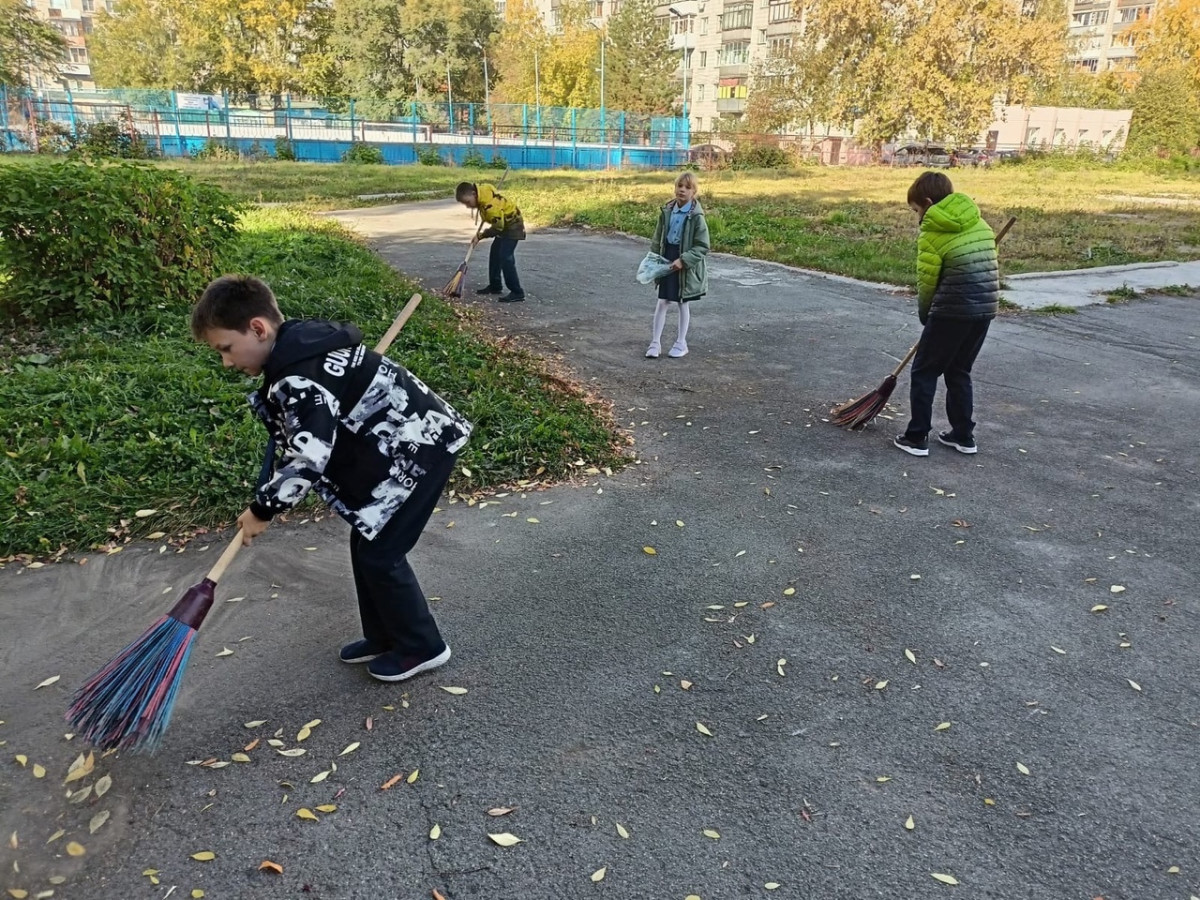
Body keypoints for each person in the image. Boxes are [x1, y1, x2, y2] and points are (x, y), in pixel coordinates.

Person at [191, 275, 472, 682]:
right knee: (367, 543)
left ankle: (422, 647)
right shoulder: (302, 345)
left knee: (381, 554)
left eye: (226, 349)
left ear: (258, 328)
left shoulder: (297, 375)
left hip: (424, 450)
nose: (228, 362)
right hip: (401, 449)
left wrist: (262, 509)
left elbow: (308, 454)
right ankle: (385, 635)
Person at [893, 172, 999, 457]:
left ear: (927, 203)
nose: (917, 217)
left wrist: (927, 316)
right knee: (959, 370)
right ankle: (963, 436)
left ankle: (916, 437)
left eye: (916, 210)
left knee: (924, 371)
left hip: (951, 309)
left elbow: (927, 281)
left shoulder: (932, 231)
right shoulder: (979, 222)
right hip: (984, 309)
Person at [647, 172, 710, 359]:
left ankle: (681, 342)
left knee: (683, 302)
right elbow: (658, 237)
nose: (682, 190)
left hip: (684, 262)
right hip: (667, 256)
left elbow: (702, 246)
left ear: (694, 192)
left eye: (687, 187)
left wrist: (683, 261)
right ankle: (655, 343)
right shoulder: (667, 211)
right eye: (679, 186)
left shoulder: (696, 216)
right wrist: (654, 258)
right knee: (663, 301)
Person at [455, 180, 526, 303]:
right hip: (504, 225)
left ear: (474, 193)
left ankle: (517, 292)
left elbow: (498, 227)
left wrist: (481, 236)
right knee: (495, 255)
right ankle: (495, 286)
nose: (468, 206)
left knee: (506, 257)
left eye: (468, 202)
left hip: (513, 225)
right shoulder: (483, 195)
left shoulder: (490, 206)